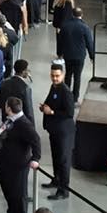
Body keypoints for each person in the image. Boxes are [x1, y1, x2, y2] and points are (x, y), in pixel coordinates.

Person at [0, 96, 41, 213]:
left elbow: (36, 140)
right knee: (9, 191)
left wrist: (35, 158)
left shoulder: (24, 124)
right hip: (5, 162)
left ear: (8, 108)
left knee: (18, 193)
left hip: (17, 165)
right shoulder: (11, 120)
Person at [39, 61, 75, 200]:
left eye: (57, 76)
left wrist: (52, 112)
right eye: (53, 75)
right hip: (54, 130)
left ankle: (63, 190)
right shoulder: (53, 87)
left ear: (63, 75)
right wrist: (44, 107)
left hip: (64, 132)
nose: (55, 78)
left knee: (63, 160)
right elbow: (50, 102)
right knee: (56, 157)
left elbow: (69, 113)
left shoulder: (66, 92)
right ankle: (56, 179)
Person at [55, 7, 94, 102]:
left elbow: (60, 41)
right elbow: (89, 43)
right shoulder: (85, 27)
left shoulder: (65, 26)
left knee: (68, 75)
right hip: (79, 56)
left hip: (68, 55)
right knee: (77, 77)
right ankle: (75, 98)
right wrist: (92, 56)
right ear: (82, 15)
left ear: (72, 14)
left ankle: (66, 96)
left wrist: (60, 53)